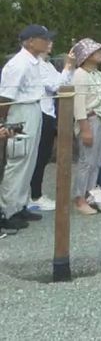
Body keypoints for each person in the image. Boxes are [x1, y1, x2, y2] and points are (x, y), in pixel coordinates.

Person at [0, 25, 56, 230]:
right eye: (43, 38)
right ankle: (8, 209)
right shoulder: (19, 64)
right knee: (18, 159)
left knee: (30, 159)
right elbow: (5, 96)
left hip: (33, 107)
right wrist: (4, 122)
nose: (47, 42)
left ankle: (21, 203)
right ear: (30, 41)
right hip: (20, 111)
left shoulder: (34, 63)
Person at [30, 39, 74, 211]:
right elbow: (56, 85)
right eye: (45, 40)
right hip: (40, 112)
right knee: (38, 155)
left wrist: (69, 68)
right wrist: (68, 66)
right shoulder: (36, 66)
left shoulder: (46, 64)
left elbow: (63, 83)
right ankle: (34, 195)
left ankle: (35, 193)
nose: (50, 43)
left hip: (48, 112)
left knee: (43, 155)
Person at [70, 38, 101, 215]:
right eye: (97, 51)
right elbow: (78, 103)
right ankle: (79, 198)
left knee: (97, 160)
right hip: (90, 119)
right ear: (87, 56)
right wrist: (85, 127)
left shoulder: (97, 73)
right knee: (86, 161)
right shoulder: (80, 74)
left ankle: (90, 193)